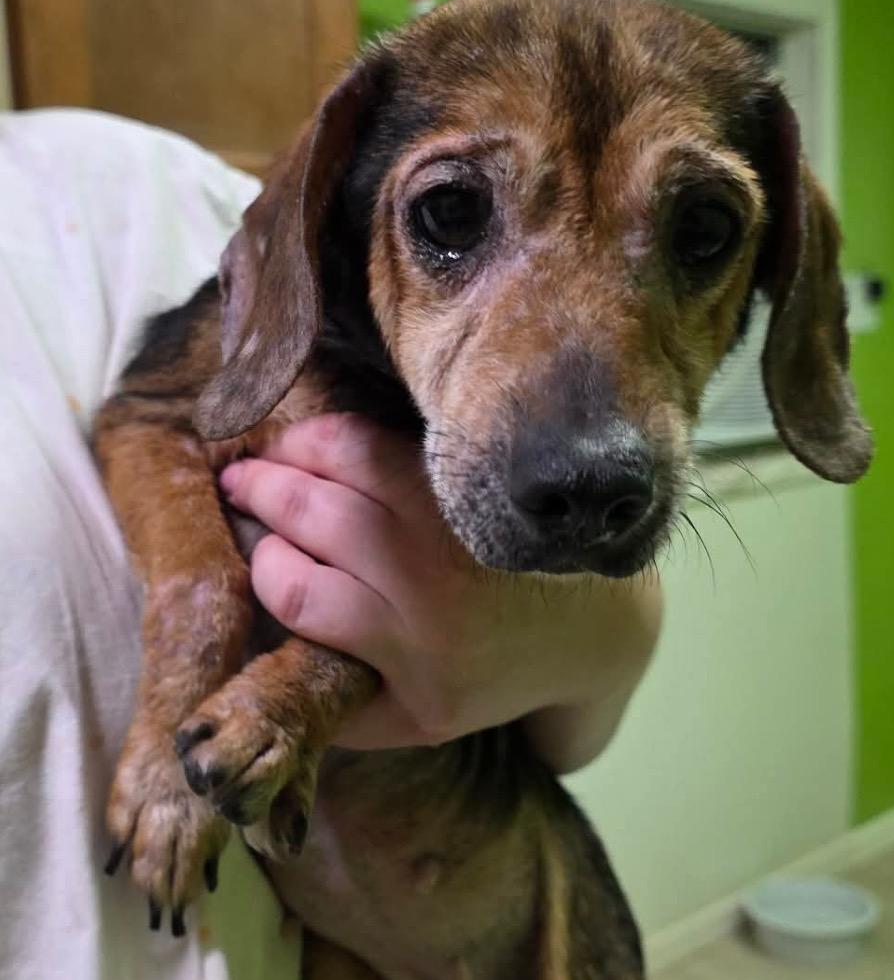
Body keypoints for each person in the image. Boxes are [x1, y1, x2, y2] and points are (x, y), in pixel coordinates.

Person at [0, 109, 661, 980]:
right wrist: (198, 641)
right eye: (455, 218)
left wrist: (610, 626)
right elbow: (154, 423)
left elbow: (486, 626)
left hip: (526, 877)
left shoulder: (161, 182)